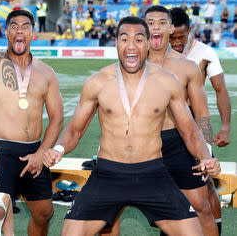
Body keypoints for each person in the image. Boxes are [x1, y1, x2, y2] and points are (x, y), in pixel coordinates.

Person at [43, 16, 220, 235]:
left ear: (147, 43)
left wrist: (205, 156)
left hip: (152, 173)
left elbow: (191, 133)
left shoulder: (168, 82)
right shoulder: (97, 82)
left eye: (138, 39)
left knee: (194, 233)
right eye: (124, 39)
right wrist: (58, 149)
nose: (131, 46)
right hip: (108, 174)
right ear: (116, 43)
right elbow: (74, 131)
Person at [0, 0, 64, 235]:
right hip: (3, 151)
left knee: (44, 214)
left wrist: (42, 153)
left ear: (33, 33)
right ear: (7, 32)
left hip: (36, 151)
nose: (20, 30)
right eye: (14, 26)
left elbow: (57, 117)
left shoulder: (46, 73)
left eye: (25, 27)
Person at [144, 6, 219, 236]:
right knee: (114, 207)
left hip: (179, 142)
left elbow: (202, 114)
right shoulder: (132, 65)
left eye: (161, 22)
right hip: (142, 145)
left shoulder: (188, 67)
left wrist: (205, 152)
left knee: (201, 206)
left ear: (170, 27)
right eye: (150, 22)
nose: (156, 26)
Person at [170, 7, 231, 234]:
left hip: (196, 124)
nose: (176, 42)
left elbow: (220, 90)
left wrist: (225, 127)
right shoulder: (158, 54)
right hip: (164, 127)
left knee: (205, 184)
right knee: (167, 184)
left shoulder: (205, 53)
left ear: (190, 31)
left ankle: (215, 230)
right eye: (172, 37)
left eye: (181, 37)